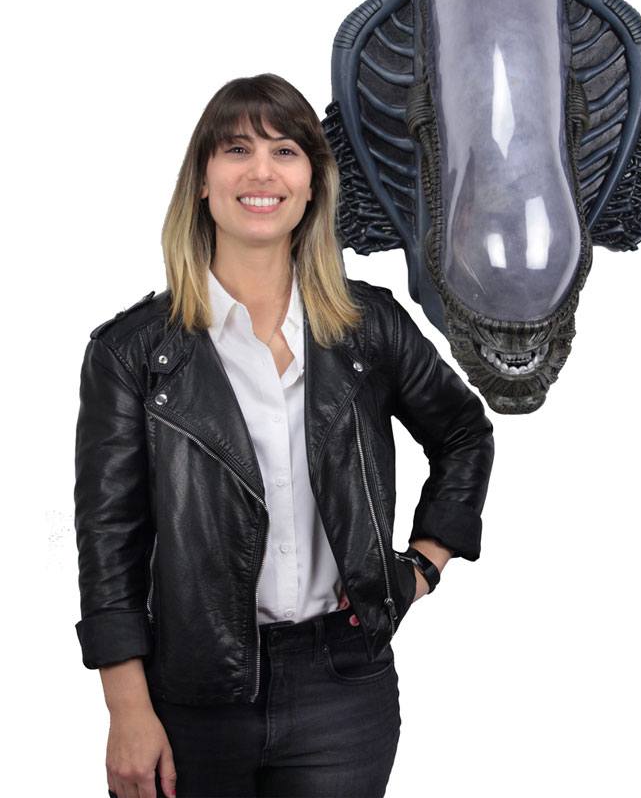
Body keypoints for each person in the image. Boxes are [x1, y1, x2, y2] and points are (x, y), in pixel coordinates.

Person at [73, 73, 495, 798]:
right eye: (237, 149)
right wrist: (126, 709)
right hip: (191, 696)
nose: (261, 172)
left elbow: (463, 433)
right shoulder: (132, 352)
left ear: (312, 184)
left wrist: (421, 566)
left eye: (285, 151)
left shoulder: (369, 328)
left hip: (345, 688)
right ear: (202, 181)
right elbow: (108, 542)